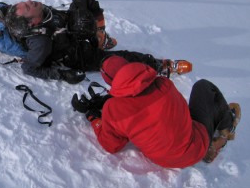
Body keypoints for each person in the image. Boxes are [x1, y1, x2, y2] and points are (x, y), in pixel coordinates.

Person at [72, 55, 241, 166]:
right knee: (203, 86)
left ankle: (215, 140)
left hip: (164, 160)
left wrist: (96, 120)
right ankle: (228, 125)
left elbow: (111, 145)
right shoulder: (163, 84)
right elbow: (181, 110)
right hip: (194, 144)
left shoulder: (112, 109)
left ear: (110, 82)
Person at [5, 0, 191, 84]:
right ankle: (162, 66)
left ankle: (100, 36)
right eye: (28, 6)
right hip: (79, 56)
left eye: (26, 2)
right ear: (33, 23)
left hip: (73, 33)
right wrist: (63, 75)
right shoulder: (41, 43)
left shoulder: (43, 12)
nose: (30, 1)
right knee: (121, 58)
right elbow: (29, 68)